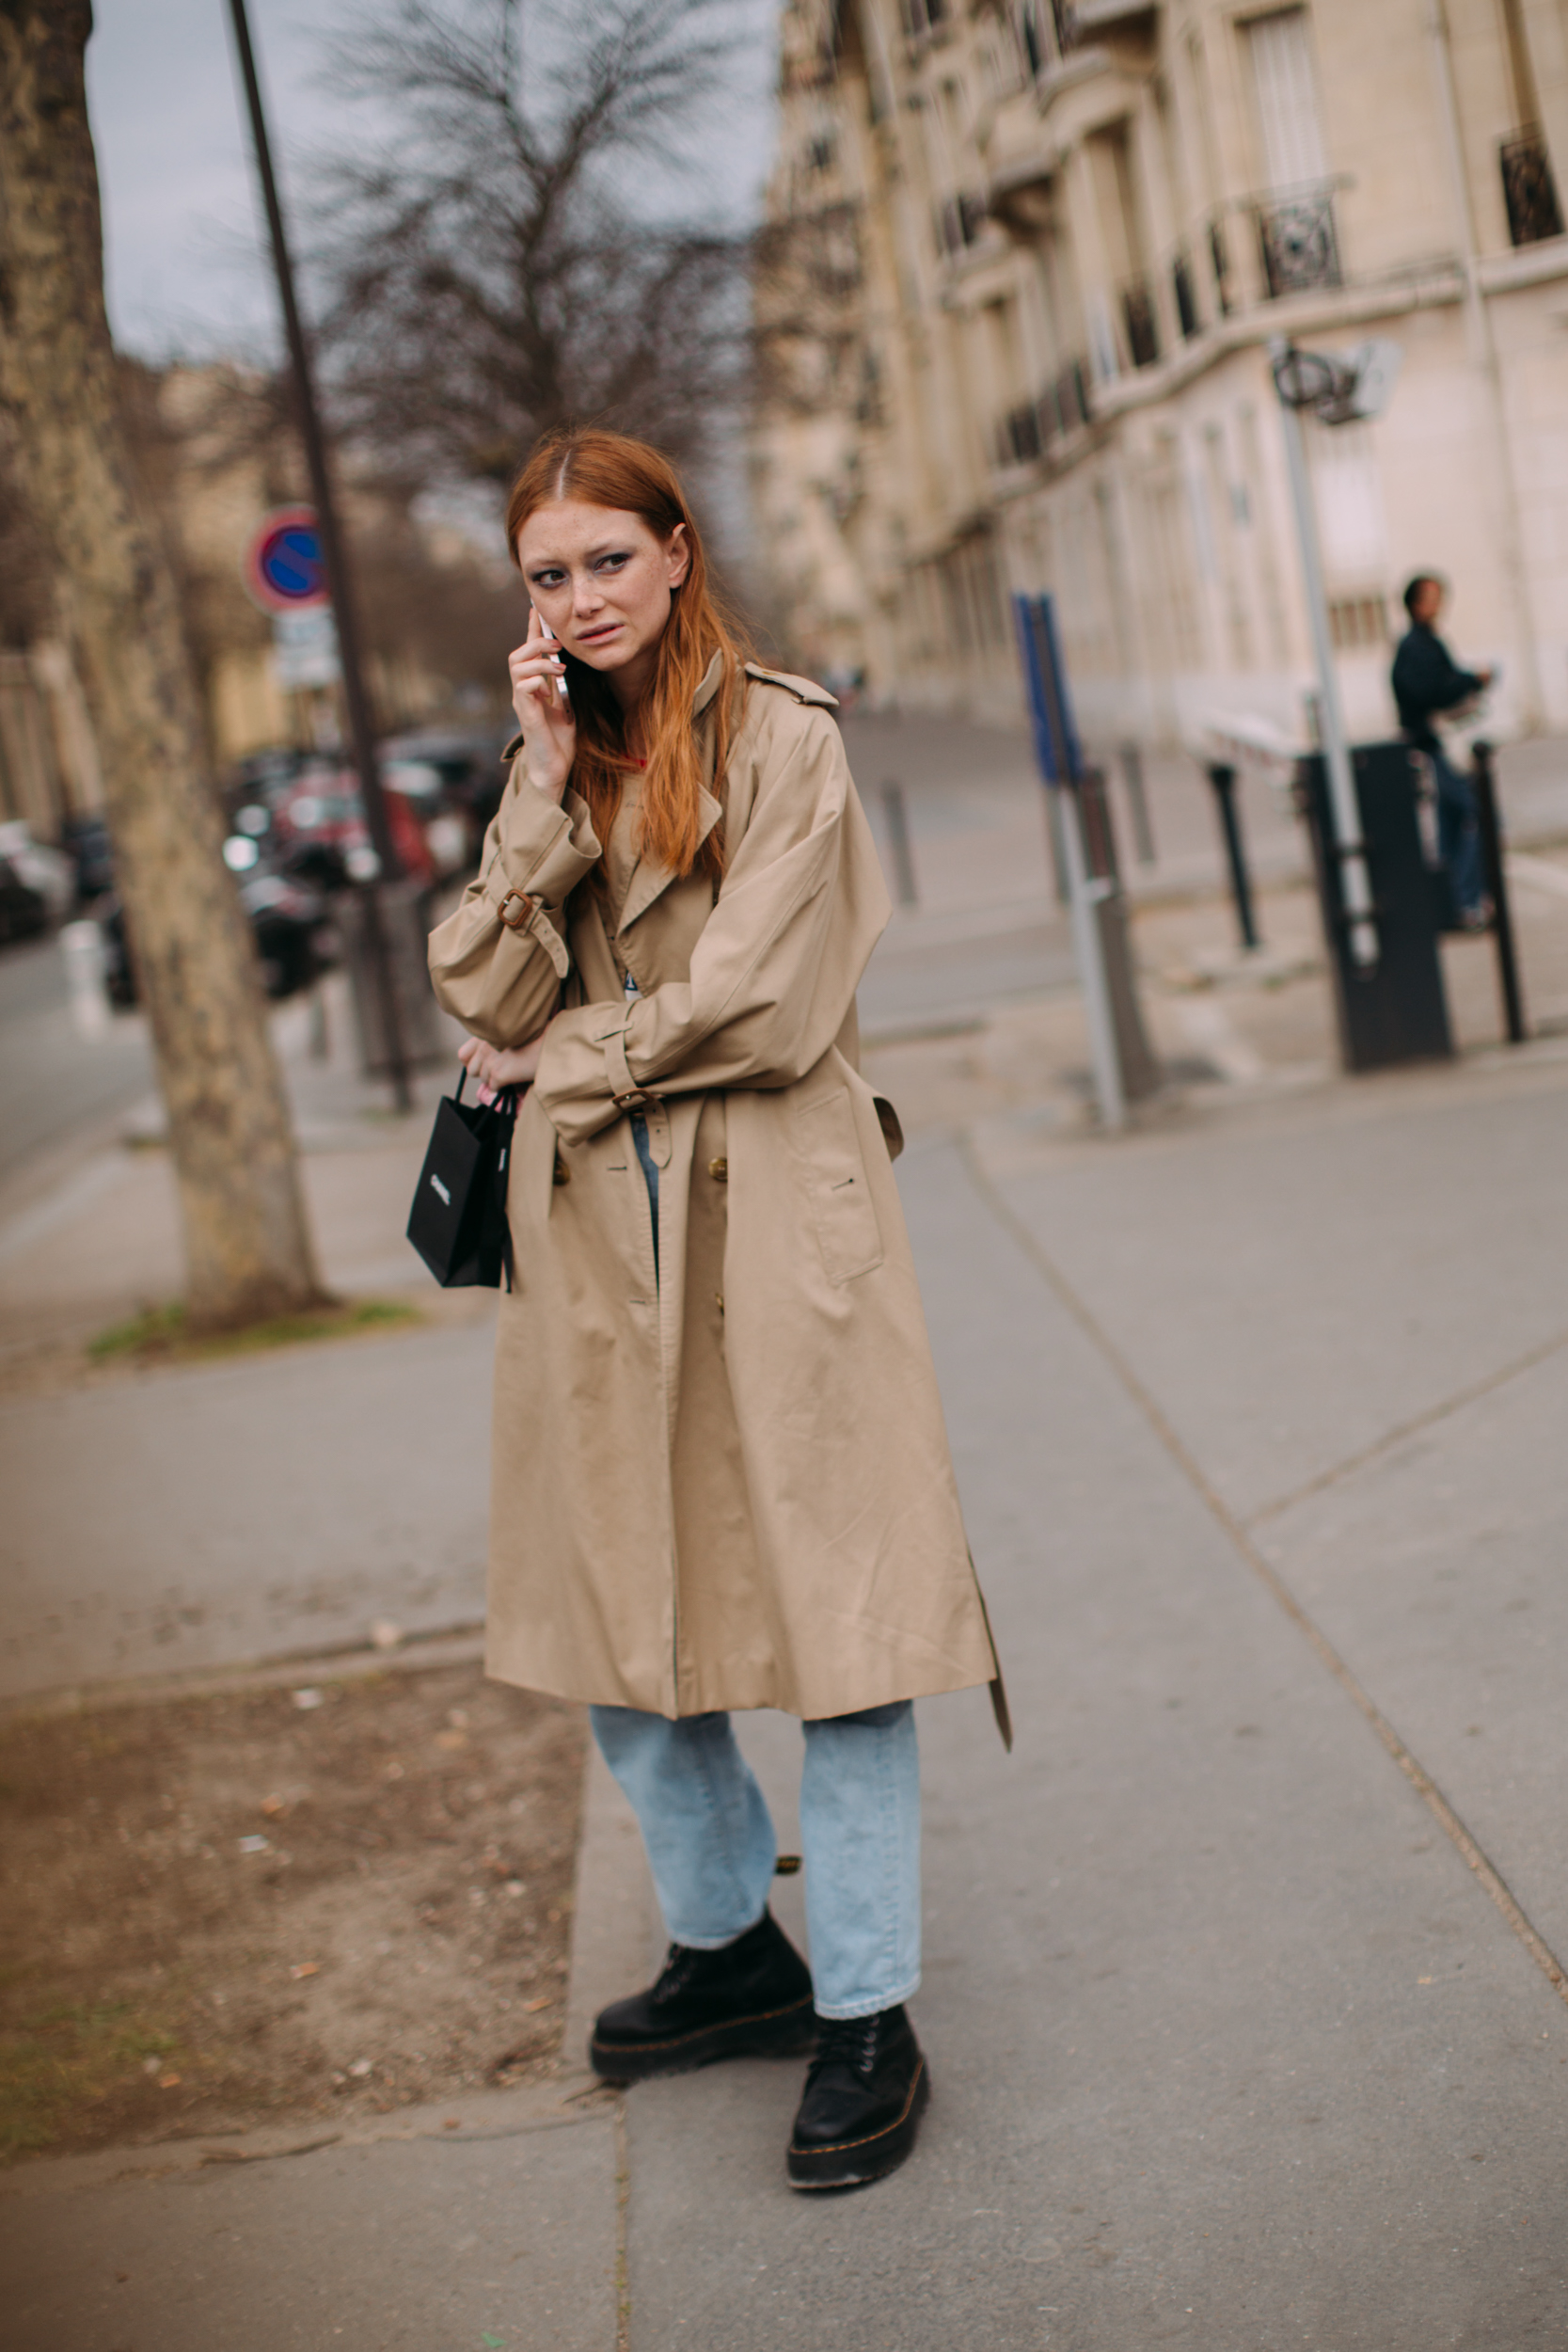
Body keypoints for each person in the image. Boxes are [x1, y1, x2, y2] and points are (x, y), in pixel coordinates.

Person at [427, 429, 1006, 2192]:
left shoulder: (784, 734)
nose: (580, 597)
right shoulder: (555, 755)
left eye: (608, 558)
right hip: (602, 1244)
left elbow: (758, 1002)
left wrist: (560, 1057)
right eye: (548, 573)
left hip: (777, 1223)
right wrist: (536, 790)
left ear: (679, 554)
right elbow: (470, 975)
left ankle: (869, 2013)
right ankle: (728, 1951)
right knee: (618, 1631)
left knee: (846, 1631)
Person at [1390, 574, 1494, 928]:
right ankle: (1467, 902)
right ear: (1417, 604)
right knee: (1477, 815)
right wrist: (1471, 681)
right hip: (1435, 748)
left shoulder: (1425, 642)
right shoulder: (1415, 646)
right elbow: (1432, 691)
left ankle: (1456, 906)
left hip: (1434, 747)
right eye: (1433, 597)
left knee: (1451, 825)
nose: (1440, 604)